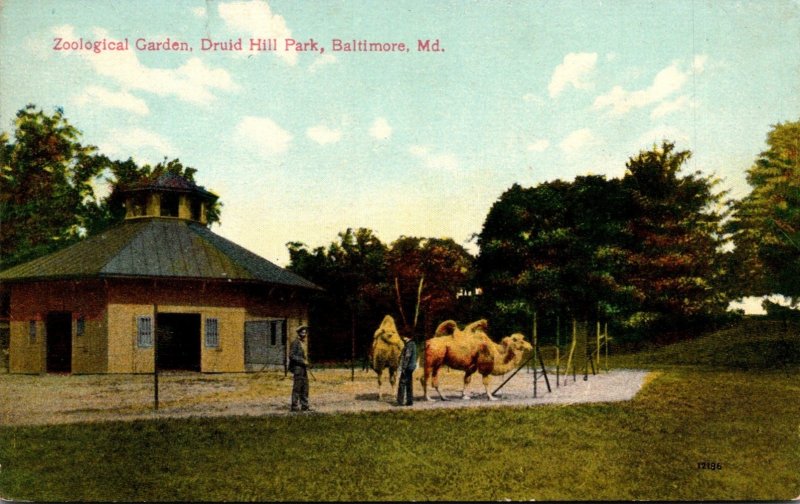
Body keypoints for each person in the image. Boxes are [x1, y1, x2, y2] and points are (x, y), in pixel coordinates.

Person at [289, 325, 312, 412]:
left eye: (305, 332)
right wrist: (302, 361)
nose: (304, 334)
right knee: (297, 388)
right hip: (298, 368)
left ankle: (305, 406)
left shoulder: (303, 343)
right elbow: (291, 356)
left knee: (305, 387)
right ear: (299, 333)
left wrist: (306, 362)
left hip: (304, 368)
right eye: (302, 332)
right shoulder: (295, 343)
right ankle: (294, 407)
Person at [396, 333, 417, 406]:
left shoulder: (409, 345)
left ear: (408, 337)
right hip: (411, 367)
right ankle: (409, 401)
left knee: (402, 383)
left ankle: (400, 401)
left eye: (404, 336)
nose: (403, 338)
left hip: (407, 367)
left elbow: (407, 357)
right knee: (409, 384)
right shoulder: (413, 344)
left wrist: (403, 368)